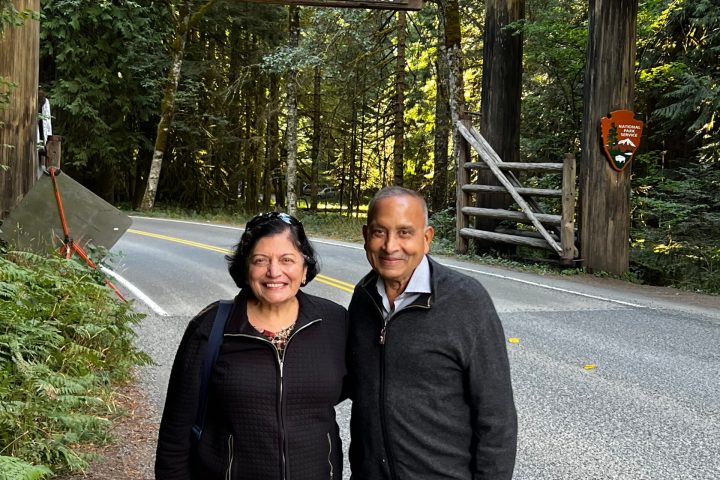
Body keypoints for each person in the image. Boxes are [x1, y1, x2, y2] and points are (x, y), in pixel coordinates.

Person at [156, 212, 348, 480]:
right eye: (260, 260)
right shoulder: (211, 327)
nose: (274, 271)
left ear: (304, 269)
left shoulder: (334, 322)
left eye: (287, 260)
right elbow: (174, 439)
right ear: (245, 269)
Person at [347, 186, 517, 479]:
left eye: (404, 233)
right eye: (379, 232)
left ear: (426, 239)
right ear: (365, 237)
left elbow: (496, 417)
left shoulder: (467, 301)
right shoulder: (363, 297)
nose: (390, 246)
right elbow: (345, 380)